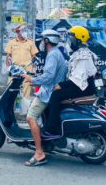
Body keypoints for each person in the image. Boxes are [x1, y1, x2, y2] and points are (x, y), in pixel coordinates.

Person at [42, 26, 98, 138]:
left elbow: (77, 78)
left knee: (56, 95)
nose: (69, 42)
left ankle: (52, 129)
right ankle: (52, 123)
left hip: (83, 88)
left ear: (77, 40)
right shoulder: (81, 52)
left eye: (71, 39)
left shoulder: (83, 55)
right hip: (81, 86)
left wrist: (62, 85)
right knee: (56, 92)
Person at [21, 30, 66, 166]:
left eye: (42, 40)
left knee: (30, 117)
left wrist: (31, 78)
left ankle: (39, 153)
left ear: (46, 41)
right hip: (51, 88)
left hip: (48, 92)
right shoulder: (57, 52)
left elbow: (48, 76)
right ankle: (44, 143)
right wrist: (34, 81)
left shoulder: (52, 55)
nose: (40, 43)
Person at [5, 22, 38, 99]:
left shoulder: (30, 42)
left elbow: (34, 57)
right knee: (11, 88)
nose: (25, 32)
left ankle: (24, 109)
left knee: (26, 89)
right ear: (17, 32)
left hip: (27, 69)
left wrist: (34, 69)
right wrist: (7, 69)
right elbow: (8, 56)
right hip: (15, 69)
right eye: (22, 30)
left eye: (25, 30)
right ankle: (10, 107)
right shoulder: (11, 42)